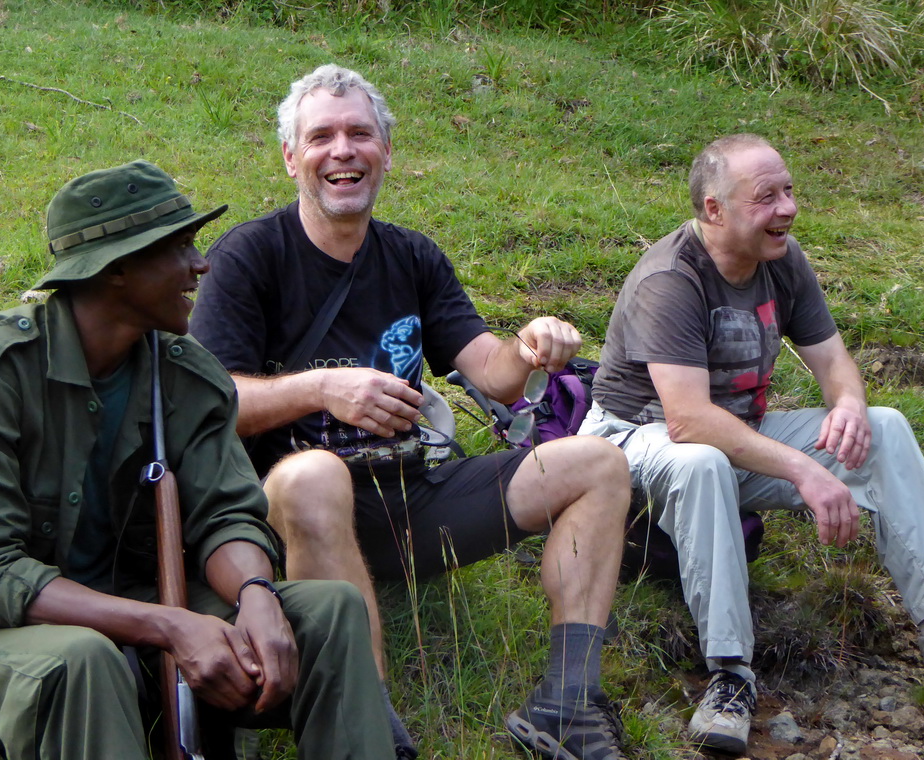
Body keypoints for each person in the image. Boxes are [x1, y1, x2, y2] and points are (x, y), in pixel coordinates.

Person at [189, 65, 632, 760]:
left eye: (360, 134)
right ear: (290, 158)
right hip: (289, 512)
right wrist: (321, 390)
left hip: (410, 496)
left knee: (599, 463)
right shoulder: (250, 257)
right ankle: (367, 725)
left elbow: (492, 373)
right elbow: (211, 402)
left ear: (386, 152)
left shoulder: (413, 256)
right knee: (313, 476)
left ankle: (567, 704)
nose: (343, 150)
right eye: (322, 137)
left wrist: (529, 345)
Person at [0, 160, 396, 760]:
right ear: (117, 270)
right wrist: (168, 626)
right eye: (180, 248)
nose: (200, 265)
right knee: (83, 657)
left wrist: (257, 594)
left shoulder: (185, 374)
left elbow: (225, 515)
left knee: (329, 610)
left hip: (138, 604)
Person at [580, 133, 924, 756]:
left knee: (886, 426)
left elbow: (833, 359)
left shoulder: (782, 262)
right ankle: (729, 674)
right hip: (628, 447)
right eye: (767, 197)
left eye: (788, 190)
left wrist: (847, 405)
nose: (787, 208)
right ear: (715, 209)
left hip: (730, 439)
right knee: (704, 460)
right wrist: (804, 472)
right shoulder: (670, 277)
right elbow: (686, 421)